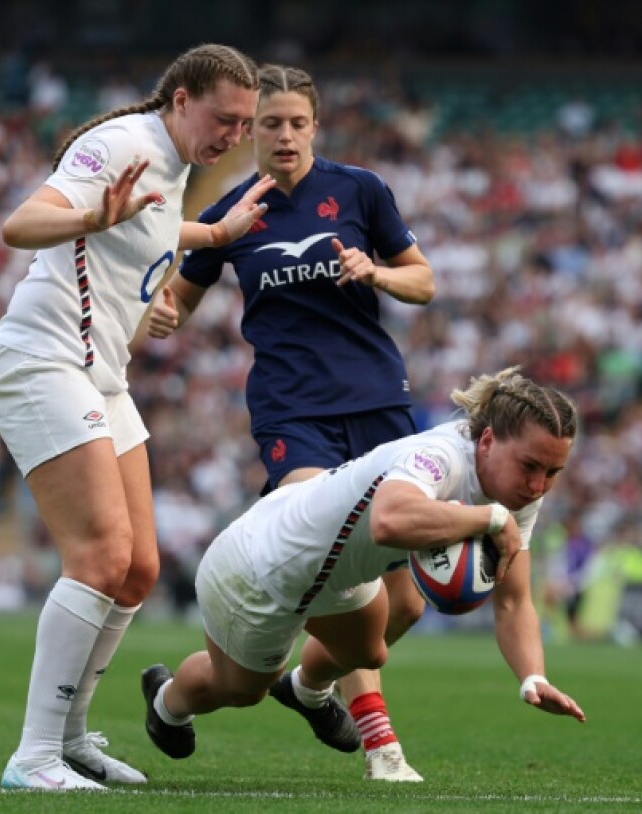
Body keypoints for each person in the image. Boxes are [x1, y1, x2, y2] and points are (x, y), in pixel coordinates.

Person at [0, 43, 276, 793]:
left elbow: (146, 229)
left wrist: (210, 238)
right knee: (101, 559)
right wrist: (87, 213)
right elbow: (20, 225)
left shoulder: (172, 164)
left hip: (100, 375)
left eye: (245, 124)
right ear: (179, 101)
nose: (233, 136)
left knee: (139, 568)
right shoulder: (121, 143)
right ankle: (34, 755)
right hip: (42, 361)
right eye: (223, 118)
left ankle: (72, 739)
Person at [147, 64, 436, 782]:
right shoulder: (232, 209)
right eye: (267, 123)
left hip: (378, 407)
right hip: (293, 414)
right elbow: (176, 300)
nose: (282, 136)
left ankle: (307, 687)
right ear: (248, 131)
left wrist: (377, 274)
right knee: (339, 550)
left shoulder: (360, 190)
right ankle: (382, 745)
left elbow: (424, 281)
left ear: (316, 125)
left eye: (295, 123)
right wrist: (152, 309)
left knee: (401, 610)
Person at [141, 367, 587, 777]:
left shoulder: (517, 493)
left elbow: (512, 601)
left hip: (335, 578)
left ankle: (306, 690)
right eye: (531, 466)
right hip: (260, 571)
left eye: (553, 472)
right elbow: (388, 520)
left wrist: (534, 677)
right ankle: (167, 703)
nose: (538, 486)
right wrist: (489, 519)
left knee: (370, 651)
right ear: (487, 441)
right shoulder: (441, 455)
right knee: (240, 690)